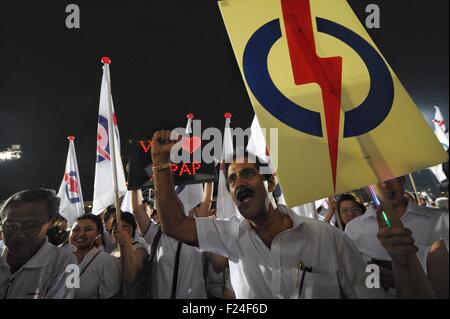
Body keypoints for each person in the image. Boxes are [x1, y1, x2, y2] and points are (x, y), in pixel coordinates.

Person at [149, 130, 389, 299]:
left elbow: (370, 291)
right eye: (232, 180)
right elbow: (175, 226)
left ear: (271, 182)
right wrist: (161, 164)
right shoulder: (229, 235)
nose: (239, 183)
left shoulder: (329, 238)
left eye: (248, 174)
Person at [345, 176, 449, 295]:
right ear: (366, 187)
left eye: (392, 177)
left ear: (403, 179)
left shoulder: (443, 221)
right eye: (375, 180)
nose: (384, 185)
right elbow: (354, 280)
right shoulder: (353, 229)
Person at [130, 189, 207, 299]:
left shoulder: (195, 233)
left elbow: (206, 202)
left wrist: (209, 178)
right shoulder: (155, 233)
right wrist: (135, 182)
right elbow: (137, 210)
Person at [0, 189, 76, 298]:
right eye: (10, 226)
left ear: (51, 222)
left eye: (30, 226)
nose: (18, 234)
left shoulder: (68, 263)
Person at [70, 214, 121, 299]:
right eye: (76, 229)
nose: (81, 233)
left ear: (98, 234)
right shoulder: (63, 259)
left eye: (88, 229)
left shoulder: (107, 261)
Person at [111, 212, 148, 298]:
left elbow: (130, 277)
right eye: (115, 227)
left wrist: (126, 242)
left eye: (125, 226)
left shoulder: (138, 249)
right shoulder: (113, 252)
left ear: (133, 228)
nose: (119, 229)